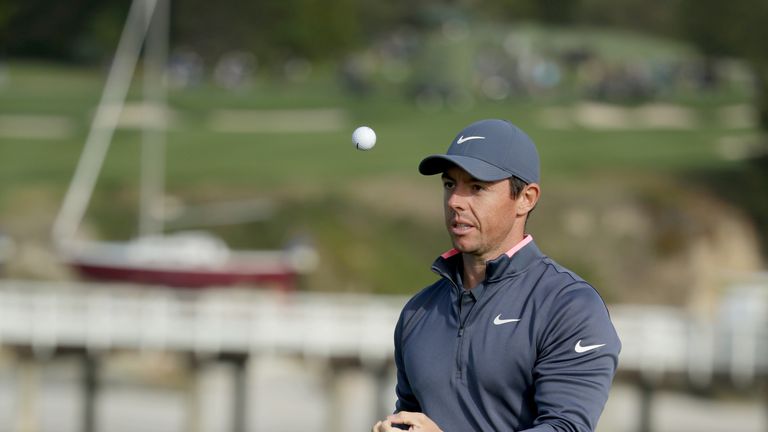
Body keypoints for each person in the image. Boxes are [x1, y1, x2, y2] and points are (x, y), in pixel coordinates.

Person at [372, 119, 621, 432]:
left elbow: (565, 427)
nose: (454, 201)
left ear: (526, 198)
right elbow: (411, 421)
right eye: (449, 184)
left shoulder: (569, 305)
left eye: (476, 187)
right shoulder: (418, 312)